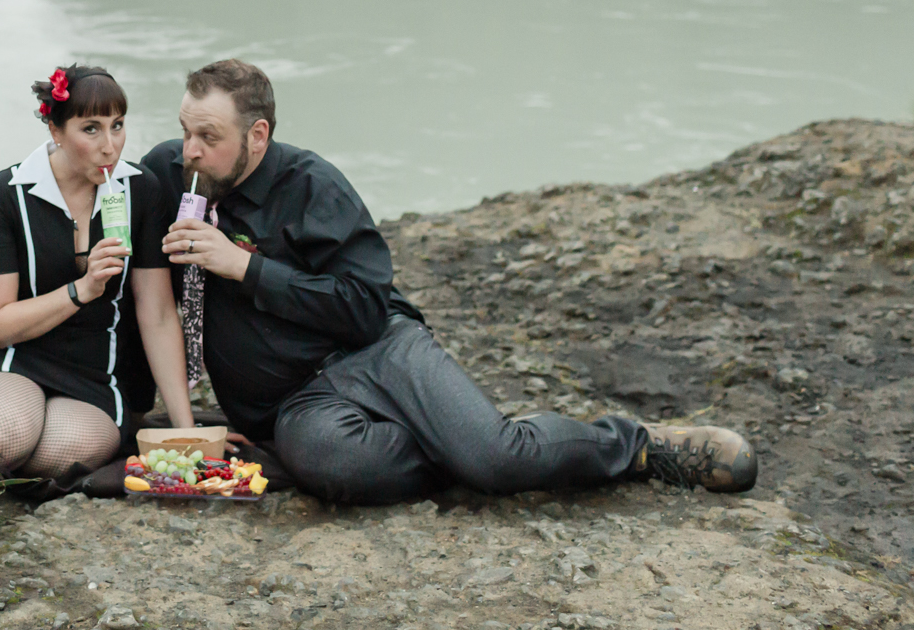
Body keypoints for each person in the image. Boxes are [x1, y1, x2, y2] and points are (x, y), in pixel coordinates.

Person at [143, 58, 757, 505]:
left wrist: (243, 266)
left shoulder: (313, 186)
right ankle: (463, 444)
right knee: (333, 471)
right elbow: (106, 208)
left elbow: (363, 308)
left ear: (258, 136)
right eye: (185, 130)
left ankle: (638, 446)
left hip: (376, 350)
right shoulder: (170, 175)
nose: (189, 150)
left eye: (209, 137)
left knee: (497, 458)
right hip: (295, 404)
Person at [0, 65, 194, 481]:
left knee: (65, 453)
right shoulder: (5, 195)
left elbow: (159, 313)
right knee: (7, 434)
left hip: (95, 372)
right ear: (55, 131)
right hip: (11, 357)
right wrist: (83, 289)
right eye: (91, 129)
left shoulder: (140, 190)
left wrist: (185, 430)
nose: (109, 146)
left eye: (117, 126)